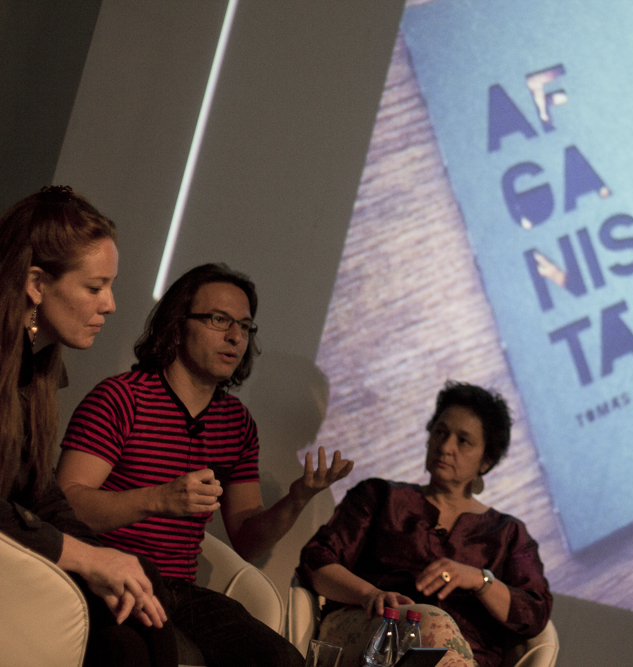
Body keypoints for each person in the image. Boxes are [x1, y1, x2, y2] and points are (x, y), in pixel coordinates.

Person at [56, 263, 353, 667]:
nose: (235, 337)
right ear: (178, 326)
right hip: (107, 579)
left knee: (281, 659)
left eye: (244, 326)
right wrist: (160, 499)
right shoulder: (121, 398)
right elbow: (68, 506)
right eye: (219, 320)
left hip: (178, 591)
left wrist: (297, 499)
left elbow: (248, 541)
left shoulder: (236, 423)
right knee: (164, 656)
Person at [0, 185, 174, 667]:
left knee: (142, 584)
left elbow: (40, 493)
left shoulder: (34, 368)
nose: (110, 305)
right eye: (95, 287)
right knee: (121, 641)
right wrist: (85, 558)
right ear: (37, 283)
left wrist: (107, 558)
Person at [298, 381, 552, 667]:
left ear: (486, 460)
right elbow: (316, 562)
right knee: (431, 623)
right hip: (373, 634)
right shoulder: (380, 496)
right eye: (440, 432)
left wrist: (477, 579)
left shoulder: (508, 533)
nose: (445, 447)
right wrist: (370, 594)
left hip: (468, 657)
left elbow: (534, 612)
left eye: (463, 441)